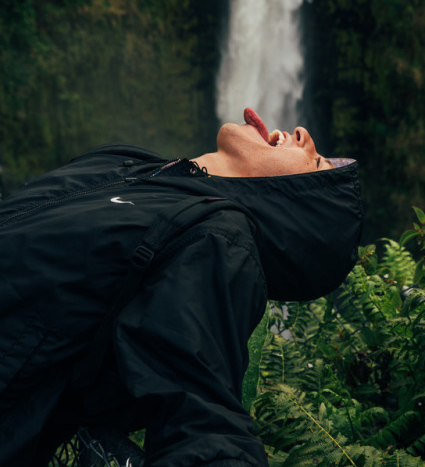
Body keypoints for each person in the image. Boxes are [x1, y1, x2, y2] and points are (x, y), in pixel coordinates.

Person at [0, 107, 363, 467]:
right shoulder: (128, 162)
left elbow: (201, 415)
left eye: (315, 163)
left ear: (294, 209)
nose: (303, 133)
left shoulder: (214, 241)